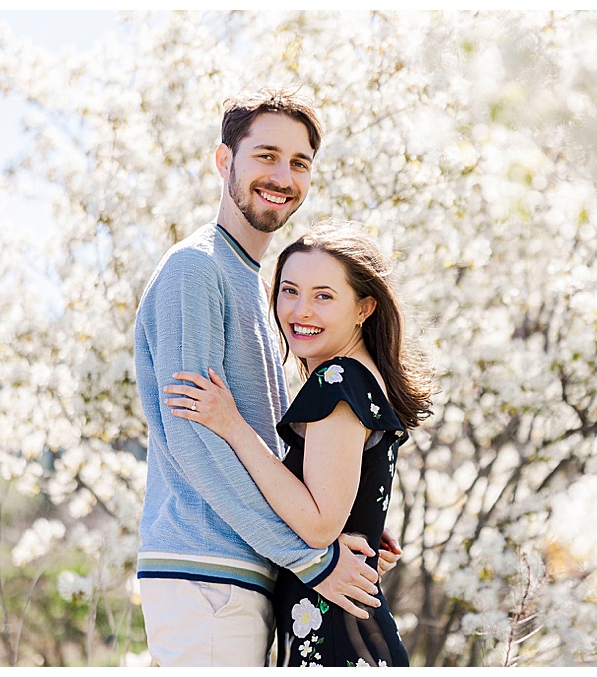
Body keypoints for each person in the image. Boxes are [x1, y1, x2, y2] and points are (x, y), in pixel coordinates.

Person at [131, 90, 397, 667]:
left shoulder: (261, 284)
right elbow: (194, 439)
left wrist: (346, 524)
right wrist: (311, 559)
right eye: (266, 156)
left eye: (299, 163)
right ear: (225, 161)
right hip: (205, 570)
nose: (283, 176)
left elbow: (262, 444)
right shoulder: (197, 269)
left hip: (244, 569)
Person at [164, 220, 434, 666]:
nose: (300, 311)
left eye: (323, 296)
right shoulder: (360, 380)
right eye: (289, 291)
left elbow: (318, 525)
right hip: (342, 628)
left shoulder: (339, 380)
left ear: (365, 308)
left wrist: (233, 425)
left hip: (335, 639)